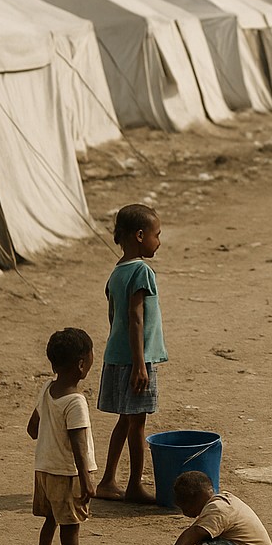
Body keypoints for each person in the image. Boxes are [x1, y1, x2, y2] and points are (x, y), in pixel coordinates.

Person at [96, 203, 166, 502]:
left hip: (117, 355)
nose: (159, 241)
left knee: (126, 420)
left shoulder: (117, 273)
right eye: (157, 234)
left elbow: (115, 318)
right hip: (136, 359)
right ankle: (135, 485)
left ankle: (108, 481)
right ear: (140, 235)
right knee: (137, 423)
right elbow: (136, 318)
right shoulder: (142, 271)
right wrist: (139, 363)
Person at [28, 327, 100, 545]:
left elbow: (32, 429)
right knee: (71, 524)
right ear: (81, 365)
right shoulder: (76, 402)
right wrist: (88, 481)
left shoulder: (47, 388)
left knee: (51, 519)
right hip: (67, 473)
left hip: (44, 468)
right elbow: (79, 446)